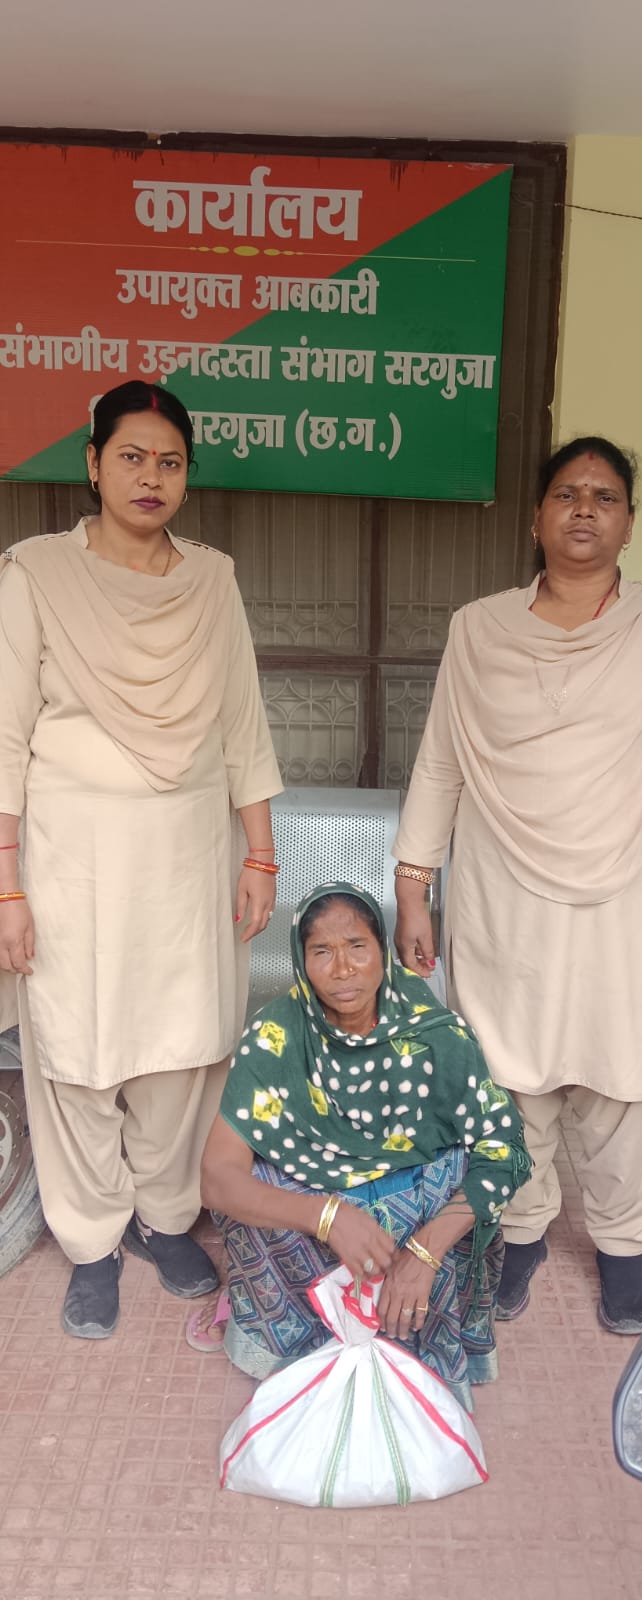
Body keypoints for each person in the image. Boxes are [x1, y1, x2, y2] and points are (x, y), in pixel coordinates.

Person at [392, 436, 642, 1335]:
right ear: (537, 519)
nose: (585, 509)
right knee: (509, 1074)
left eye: (605, 497)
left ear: (629, 523)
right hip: (506, 894)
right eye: (567, 494)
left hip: (634, 894)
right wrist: (414, 885)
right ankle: (523, 1229)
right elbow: (441, 761)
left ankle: (623, 1244)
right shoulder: (480, 629)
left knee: (633, 1077)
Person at [0, 380, 283, 1339]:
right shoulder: (37, 575)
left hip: (189, 856)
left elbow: (242, 724)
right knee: (77, 1049)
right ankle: (91, 1241)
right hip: (71, 862)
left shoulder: (212, 581)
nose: (150, 477)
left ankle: (163, 1218)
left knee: (182, 1046)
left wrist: (261, 857)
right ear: (92, 464)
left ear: (188, 474)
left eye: (169, 461)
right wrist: (7, 885)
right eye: (131, 457)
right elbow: (6, 736)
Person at [192, 883, 530, 1411]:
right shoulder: (277, 1034)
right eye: (321, 951)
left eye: (357, 946)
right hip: (316, 1220)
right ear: (301, 961)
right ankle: (295, 1335)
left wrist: (425, 1251)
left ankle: (412, 1331)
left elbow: (505, 1149)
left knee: (464, 1173)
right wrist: (326, 1217)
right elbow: (217, 1176)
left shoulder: (434, 1033)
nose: (343, 969)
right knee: (250, 1193)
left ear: (382, 950)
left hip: (415, 1226)